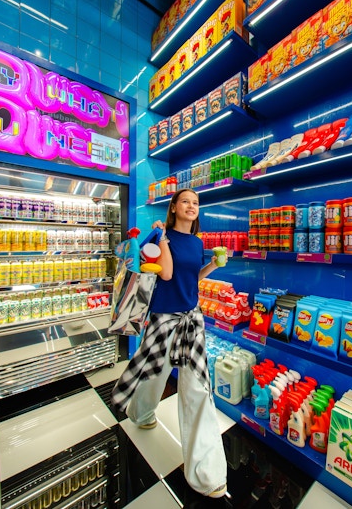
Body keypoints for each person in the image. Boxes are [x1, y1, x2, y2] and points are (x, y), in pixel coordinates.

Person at [110, 188, 228, 499]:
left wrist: (214, 265)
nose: (192, 206)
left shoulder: (198, 242)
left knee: (197, 387)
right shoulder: (161, 237)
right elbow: (167, 275)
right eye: (186, 201)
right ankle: (141, 414)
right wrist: (162, 239)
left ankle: (207, 472)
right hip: (163, 318)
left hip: (191, 317)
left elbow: (191, 278)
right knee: (154, 372)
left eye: (196, 203)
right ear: (174, 207)